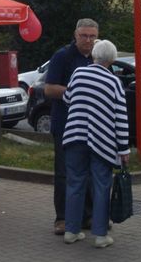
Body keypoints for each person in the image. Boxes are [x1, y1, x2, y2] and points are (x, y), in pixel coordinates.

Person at [62, 40, 130, 248]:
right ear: (112, 60)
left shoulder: (78, 74)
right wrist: (124, 148)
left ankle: (71, 231)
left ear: (94, 55)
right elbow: (121, 117)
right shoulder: (114, 82)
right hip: (102, 141)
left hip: (75, 135)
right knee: (101, 186)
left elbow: (67, 98)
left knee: (75, 183)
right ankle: (100, 235)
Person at [44, 18, 99, 235]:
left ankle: (87, 216)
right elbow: (49, 89)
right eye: (84, 36)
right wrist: (76, 91)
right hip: (65, 124)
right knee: (64, 173)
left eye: (92, 36)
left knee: (90, 173)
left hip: (91, 125)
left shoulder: (98, 58)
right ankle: (62, 218)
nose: (88, 40)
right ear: (76, 35)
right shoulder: (63, 56)